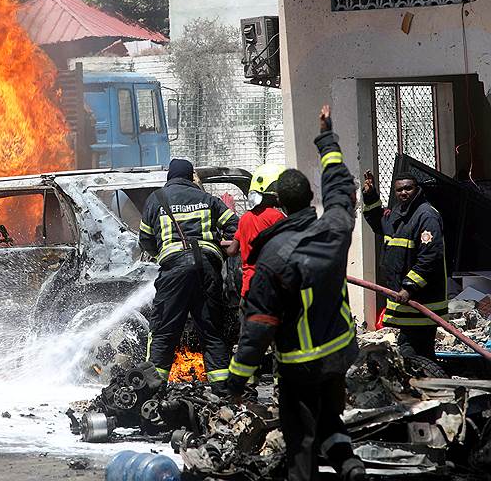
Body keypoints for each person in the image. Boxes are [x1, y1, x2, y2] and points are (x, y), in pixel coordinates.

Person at [226, 105, 365, 481]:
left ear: (281, 206)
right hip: (339, 352)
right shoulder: (335, 227)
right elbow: (339, 188)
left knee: (300, 440)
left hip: (300, 367)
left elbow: (258, 326)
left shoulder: (273, 258)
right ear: (308, 200)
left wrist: (237, 379)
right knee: (330, 420)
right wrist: (327, 138)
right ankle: (350, 466)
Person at [139, 158, 239, 392]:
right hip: (207, 269)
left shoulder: (156, 200)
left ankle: (152, 391)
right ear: (190, 175)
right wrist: (217, 245)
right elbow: (235, 226)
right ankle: (222, 391)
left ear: (170, 176)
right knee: (212, 330)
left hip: (174, 272)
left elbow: (144, 240)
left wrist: (163, 252)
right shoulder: (207, 199)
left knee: (164, 330)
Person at [362, 170, 447, 359]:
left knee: (415, 354)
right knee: (412, 351)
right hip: (406, 305)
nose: (403, 193)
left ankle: (425, 383)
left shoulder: (426, 216)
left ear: (417, 189)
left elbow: (430, 258)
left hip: (422, 302)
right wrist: (370, 196)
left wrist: (409, 287)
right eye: (399, 189)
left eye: (408, 188)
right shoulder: (398, 213)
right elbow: (379, 222)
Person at [226, 163, 286, 301]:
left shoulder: (245, 218)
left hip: (248, 291)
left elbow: (232, 250)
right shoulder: (277, 217)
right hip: (270, 290)